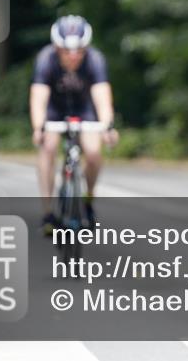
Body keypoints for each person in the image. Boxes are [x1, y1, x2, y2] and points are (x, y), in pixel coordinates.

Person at [30, 15, 118, 234]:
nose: (73, 56)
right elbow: (39, 96)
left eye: (79, 51)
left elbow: (102, 96)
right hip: (54, 110)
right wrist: (38, 127)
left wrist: (108, 125)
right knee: (48, 148)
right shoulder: (45, 59)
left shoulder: (95, 59)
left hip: (83, 110)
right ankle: (48, 212)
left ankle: (87, 199)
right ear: (57, 48)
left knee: (94, 153)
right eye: (67, 51)